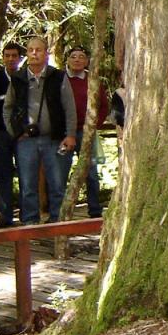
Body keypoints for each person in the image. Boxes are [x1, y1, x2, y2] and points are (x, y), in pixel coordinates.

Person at [3, 37, 77, 224]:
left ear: (46, 53)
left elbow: (69, 107)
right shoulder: (18, 79)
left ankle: (57, 221)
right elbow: (8, 108)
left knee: (57, 183)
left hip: (54, 138)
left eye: (38, 50)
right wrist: (15, 132)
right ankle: (30, 221)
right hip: (26, 140)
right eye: (30, 50)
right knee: (27, 183)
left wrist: (70, 134)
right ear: (26, 54)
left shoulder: (58, 76)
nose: (34, 53)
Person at [59, 46, 108, 217]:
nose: (77, 60)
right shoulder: (61, 79)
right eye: (73, 57)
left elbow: (103, 105)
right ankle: (60, 211)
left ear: (87, 61)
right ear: (68, 60)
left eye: (81, 57)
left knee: (92, 173)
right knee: (61, 171)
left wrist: (95, 125)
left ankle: (94, 209)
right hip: (65, 134)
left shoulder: (92, 80)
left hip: (87, 133)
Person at [0, 42, 23, 226]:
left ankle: (27, 213)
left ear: (19, 58)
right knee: (3, 173)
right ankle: (6, 214)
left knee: (25, 172)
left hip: (21, 134)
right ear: (3, 57)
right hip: (0, 132)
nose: (11, 59)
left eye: (14, 55)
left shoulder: (24, 78)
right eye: (7, 55)